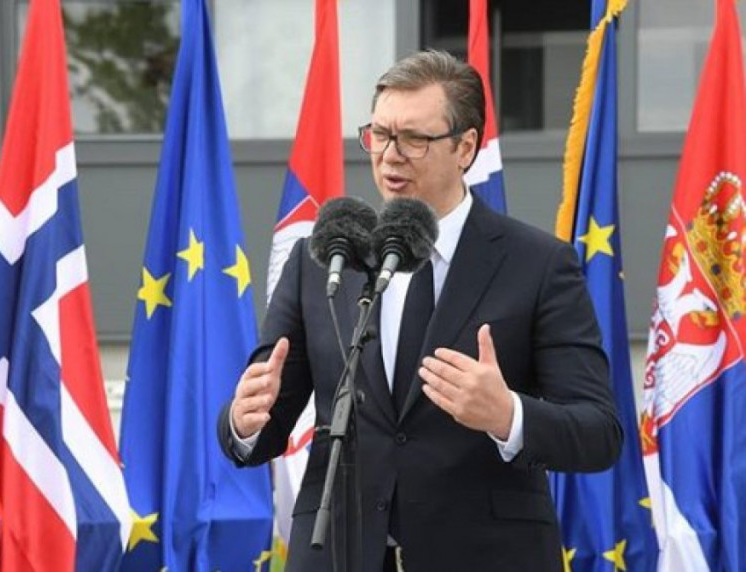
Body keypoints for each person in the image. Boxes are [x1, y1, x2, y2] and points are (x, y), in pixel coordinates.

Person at [217, 49, 621, 572]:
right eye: (380, 134)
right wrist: (243, 420)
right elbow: (263, 430)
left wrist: (508, 415)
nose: (390, 156)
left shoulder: (538, 264)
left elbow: (598, 432)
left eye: (413, 139)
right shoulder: (325, 259)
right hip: (339, 555)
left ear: (465, 147)